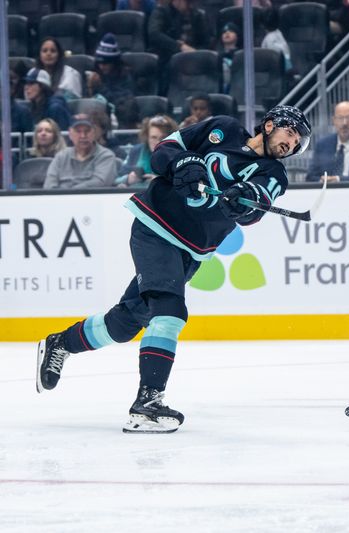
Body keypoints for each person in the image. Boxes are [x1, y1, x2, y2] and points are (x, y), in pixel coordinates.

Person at [36, 105, 312, 433]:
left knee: (127, 322)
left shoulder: (273, 173)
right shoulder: (223, 127)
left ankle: (61, 343)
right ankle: (148, 402)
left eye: (298, 142)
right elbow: (164, 150)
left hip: (191, 251)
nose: (292, 144)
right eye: (290, 133)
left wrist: (242, 199)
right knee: (169, 312)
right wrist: (183, 161)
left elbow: (256, 207)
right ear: (269, 125)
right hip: (155, 226)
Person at [147, 0, 212, 95]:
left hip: (193, 60)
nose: (190, 6)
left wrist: (195, 52)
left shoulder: (197, 15)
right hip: (167, 59)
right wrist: (179, 46)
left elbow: (206, 42)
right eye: (187, 2)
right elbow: (154, 34)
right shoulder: (161, 12)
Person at [43, 114, 118, 189]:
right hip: (60, 199)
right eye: (78, 131)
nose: (83, 136)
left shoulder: (106, 156)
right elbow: (49, 185)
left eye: (87, 131)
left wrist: (69, 193)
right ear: (70, 134)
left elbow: (100, 182)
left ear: (94, 133)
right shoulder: (61, 156)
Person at [117, 115, 180, 188]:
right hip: (135, 195)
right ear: (147, 137)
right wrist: (127, 179)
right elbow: (116, 180)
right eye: (153, 137)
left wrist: (160, 182)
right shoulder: (136, 151)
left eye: (163, 138)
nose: (158, 142)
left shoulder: (179, 155)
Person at [87, 33, 136, 116]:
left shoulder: (125, 75)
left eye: (106, 63)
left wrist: (100, 87)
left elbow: (122, 102)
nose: (102, 66)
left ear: (114, 62)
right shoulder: (94, 74)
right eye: (100, 63)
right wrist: (90, 87)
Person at [218, 22, 242, 94]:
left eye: (231, 31)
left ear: (237, 36)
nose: (227, 33)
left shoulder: (241, 55)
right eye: (224, 32)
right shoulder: (217, 56)